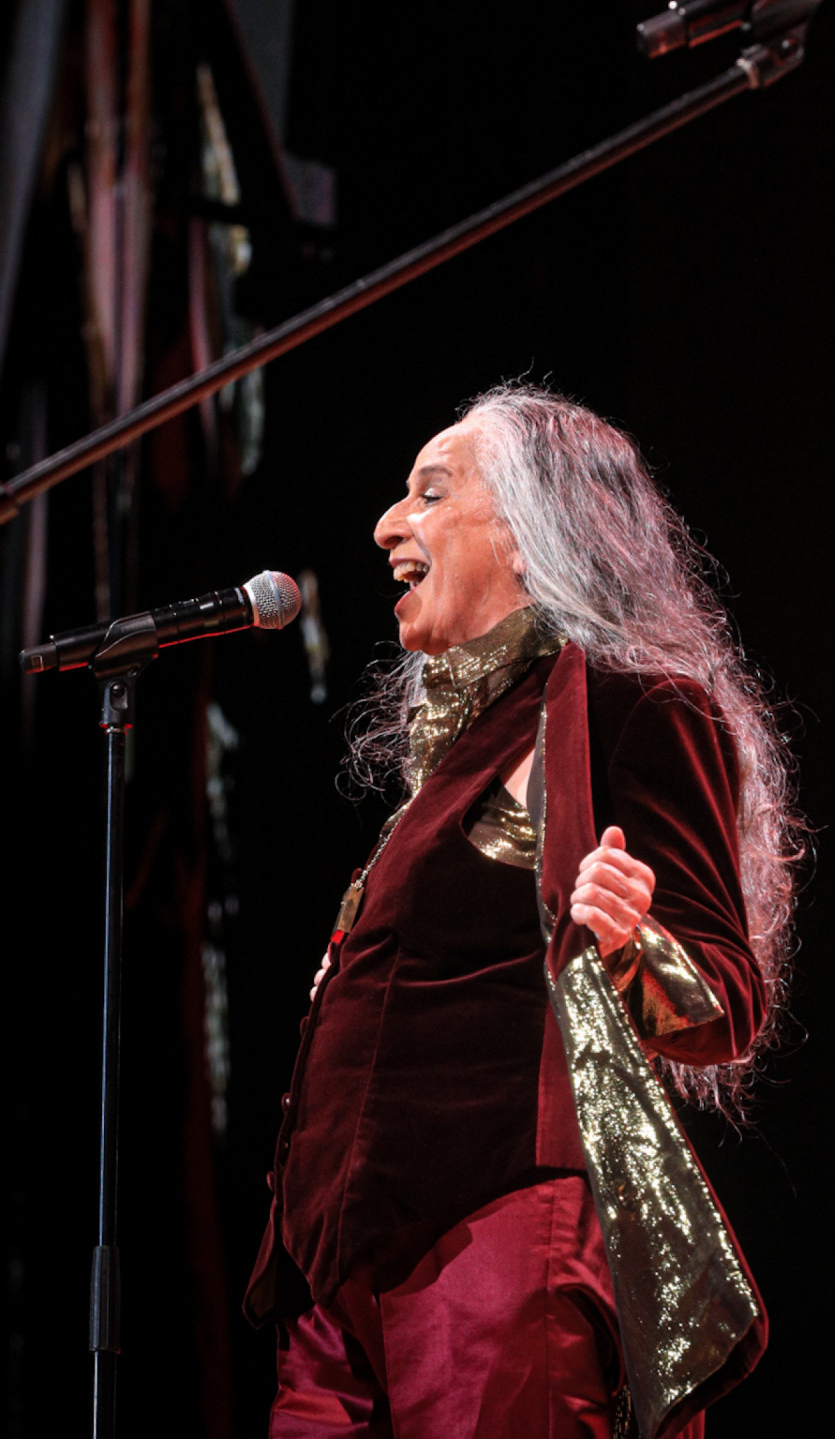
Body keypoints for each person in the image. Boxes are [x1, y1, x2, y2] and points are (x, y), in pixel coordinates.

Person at [246, 384, 799, 1438]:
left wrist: (636, 940)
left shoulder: (629, 703)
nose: (387, 524)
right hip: (335, 1281)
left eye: (431, 493)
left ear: (533, 523)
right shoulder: (463, 754)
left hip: (493, 1240)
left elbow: (727, 1000)